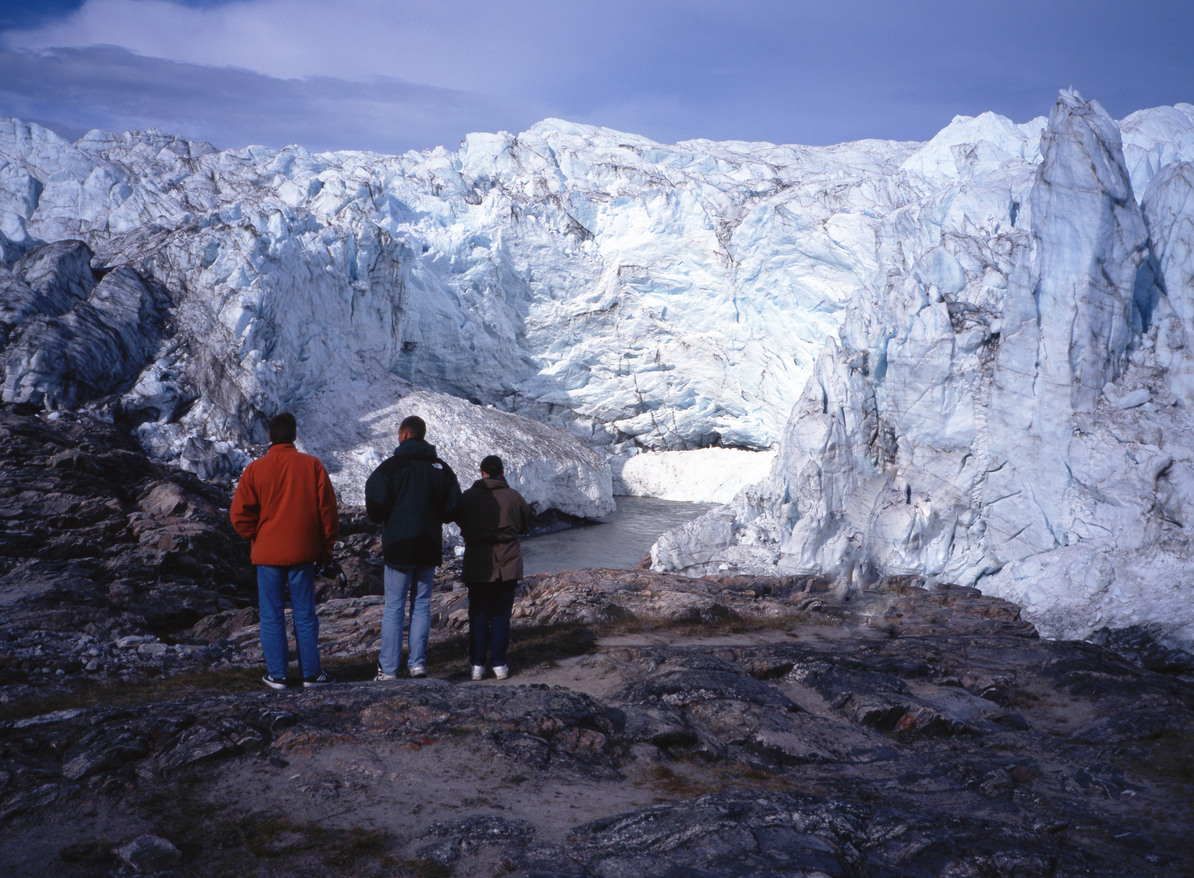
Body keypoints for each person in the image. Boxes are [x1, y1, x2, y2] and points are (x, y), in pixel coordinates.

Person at [230, 412, 339, 689]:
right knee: (304, 614)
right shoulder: (311, 465)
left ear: (269, 436)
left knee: (271, 614)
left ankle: (277, 675)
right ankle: (311, 674)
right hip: (303, 553)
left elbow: (239, 514)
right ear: (293, 435)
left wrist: (257, 534)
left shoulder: (255, 469)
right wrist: (326, 546)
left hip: (267, 555)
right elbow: (328, 511)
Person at [365, 415, 461, 680]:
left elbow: (374, 502)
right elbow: (454, 505)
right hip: (429, 544)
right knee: (421, 605)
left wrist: (388, 517)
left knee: (394, 607)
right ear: (423, 435)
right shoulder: (440, 467)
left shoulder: (390, 467)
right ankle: (417, 664)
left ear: (404, 434)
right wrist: (435, 515)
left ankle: (389, 669)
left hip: (399, 545)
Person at [453, 455, 532, 681]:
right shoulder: (513, 497)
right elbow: (526, 522)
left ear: (482, 472)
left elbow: (459, 518)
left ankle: (477, 665)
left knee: (478, 613)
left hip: (477, 562)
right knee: (500, 615)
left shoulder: (468, 497)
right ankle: (499, 664)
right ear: (502, 473)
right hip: (507, 563)